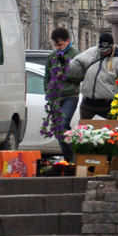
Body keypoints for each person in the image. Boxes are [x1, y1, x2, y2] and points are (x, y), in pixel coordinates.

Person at [67, 32, 118, 120]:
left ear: (112, 46)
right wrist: (66, 65)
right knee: (84, 131)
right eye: (101, 49)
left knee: (109, 132)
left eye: (106, 50)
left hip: (108, 106)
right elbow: (76, 65)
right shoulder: (91, 52)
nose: (103, 52)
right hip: (88, 104)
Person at [42, 27, 80, 161]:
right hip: (55, 97)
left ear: (67, 41)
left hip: (70, 96)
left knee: (63, 125)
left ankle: (71, 159)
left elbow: (80, 76)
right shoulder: (52, 56)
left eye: (60, 44)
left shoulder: (75, 55)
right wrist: (48, 90)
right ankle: (70, 157)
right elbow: (47, 76)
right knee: (59, 129)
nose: (58, 47)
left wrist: (64, 74)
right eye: (55, 45)